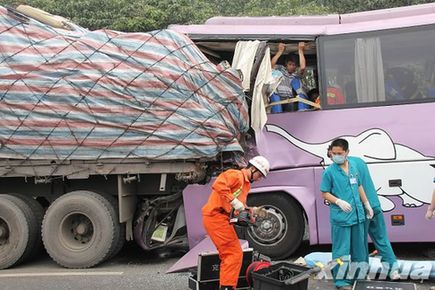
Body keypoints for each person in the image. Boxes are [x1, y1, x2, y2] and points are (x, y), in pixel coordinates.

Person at [202, 156, 270, 290]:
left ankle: (226, 286)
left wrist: (251, 211)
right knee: (233, 253)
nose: (259, 179)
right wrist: (233, 200)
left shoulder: (246, 184)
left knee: (231, 254)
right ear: (252, 169)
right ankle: (227, 287)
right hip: (215, 217)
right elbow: (218, 184)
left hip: (221, 218)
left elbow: (238, 207)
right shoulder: (236, 175)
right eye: (260, 175)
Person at [320, 139, 374, 290]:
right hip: (341, 218)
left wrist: (367, 204)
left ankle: (360, 277)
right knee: (341, 251)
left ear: (347, 153)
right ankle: (342, 281)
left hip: (357, 216)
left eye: (340, 153)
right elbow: (324, 193)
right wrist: (338, 201)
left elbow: (359, 186)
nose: (336, 156)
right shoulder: (329, 172)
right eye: (334, 153)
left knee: (360, 250)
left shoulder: (353, 166)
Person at [347, 155, 400, 280]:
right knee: (382, 238)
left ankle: (361, 273)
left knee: (359, 243)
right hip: (375, 204)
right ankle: (393, 271)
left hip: (363, 208)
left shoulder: (346, 166)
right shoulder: (360, 161)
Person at [271, 42, 310, 111]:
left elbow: (303, 67)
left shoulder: (296, 74)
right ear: (286, 64)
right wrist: (280, 51)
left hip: (289, 100)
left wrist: (300, 50)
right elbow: (271, 65)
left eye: (294, 65)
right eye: (290, 64)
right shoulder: (280, 69)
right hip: (278, 99)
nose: (292, 67)